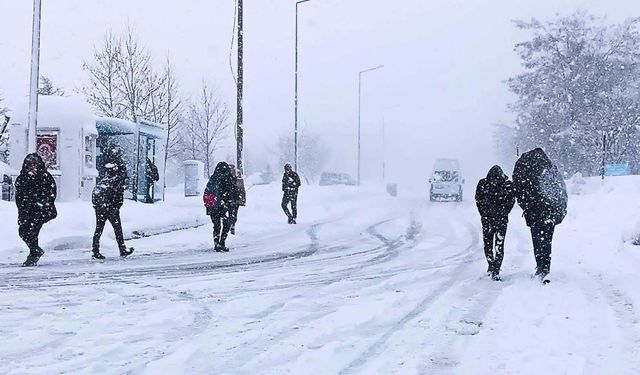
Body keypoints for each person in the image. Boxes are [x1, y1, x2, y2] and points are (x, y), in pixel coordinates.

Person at [512, 148, 567, 283]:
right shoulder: (549, 169)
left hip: (534, 214)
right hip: (550, 213)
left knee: (537, 241)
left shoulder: (526, 170)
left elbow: (520, 191)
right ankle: (546, 267)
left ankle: (540, 266)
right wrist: (559, 211)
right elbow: (560, 191)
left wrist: (526, 207)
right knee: (547, 241)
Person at [15, 153, 57, 267]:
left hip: (42, 211)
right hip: (27, 211)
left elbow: (51, 194)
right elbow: (19, 197)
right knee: (23, 232)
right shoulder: (22, 178)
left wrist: (43, 204)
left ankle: (33, 254)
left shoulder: (45, 177)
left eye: (34, 164)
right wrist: (23, 209)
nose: (32, 167)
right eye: (30, 165)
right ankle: (35, 250)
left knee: (32, 231)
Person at [475, 165, 515, 280]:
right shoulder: (483, 184)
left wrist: (503, 213)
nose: (494, 182)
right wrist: (484, 213)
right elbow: (478, 200)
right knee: (488, 244)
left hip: (500, 221)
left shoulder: (507, 186)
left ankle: (496, 269)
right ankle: (491, 265)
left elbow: (511, 201)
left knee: (499, 245)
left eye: (496, 180)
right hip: (487, 220)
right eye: (492, 180)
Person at [91, 161, 134, 260]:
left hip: (100, 208)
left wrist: (99, 207)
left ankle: (95, 251)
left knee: (98, 229)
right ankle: (122, 249)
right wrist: (115, 207)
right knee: (118, 229)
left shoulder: (105, 181)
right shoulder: (117, 180)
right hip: (111, 209)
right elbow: (118, 196)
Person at [203, 162, 234, 252]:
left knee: (216, 225)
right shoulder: (226, 177)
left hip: (212, 205)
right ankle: (222, 242)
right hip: (222, 205)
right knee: (226, 223)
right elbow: (229, 191)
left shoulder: (214, 177)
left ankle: (216, 243)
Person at [227, 164, 246, 235]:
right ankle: (232, 225)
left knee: (232, 213)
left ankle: (231, 225)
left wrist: (243, 199)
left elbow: (242, 190)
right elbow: (242, 190)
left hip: (232, 199)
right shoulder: (238, 179)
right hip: (234, 199)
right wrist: (243, 199)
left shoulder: (230, 179)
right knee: (233, 213)